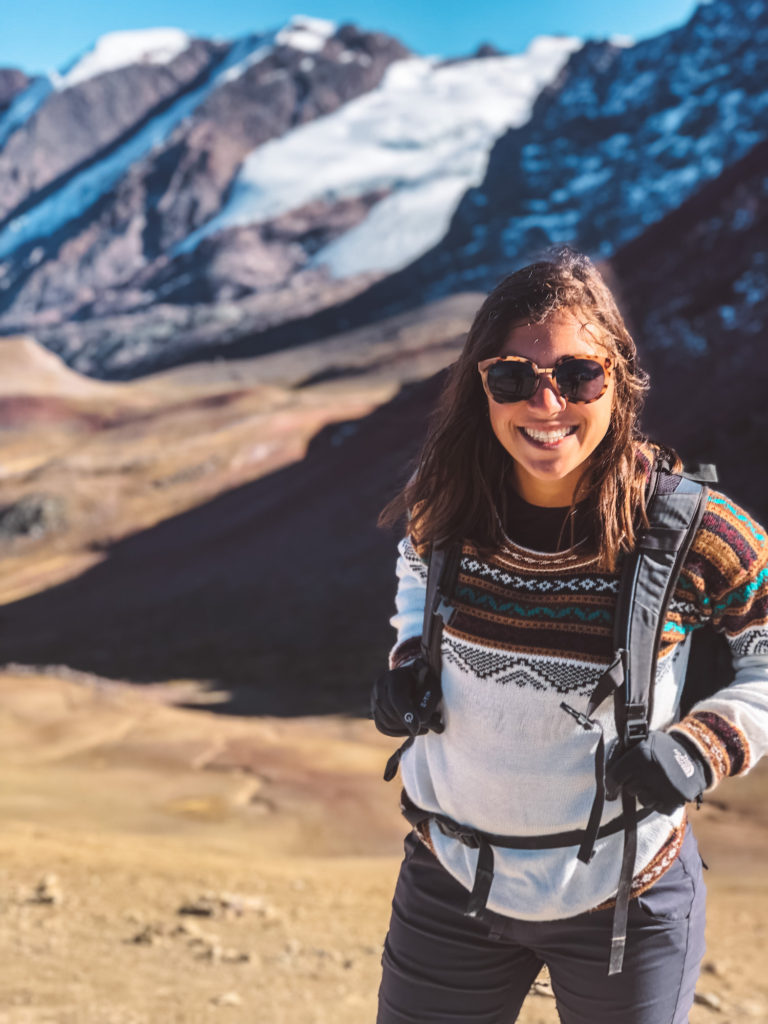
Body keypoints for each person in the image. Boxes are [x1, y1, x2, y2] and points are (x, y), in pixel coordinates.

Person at [371, 248, 768, 1024]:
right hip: (449, 885)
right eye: (513, 376)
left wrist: (704, 745)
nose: (545, 402)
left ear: (618, 382)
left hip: (626, 900)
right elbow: (416, 571)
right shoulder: (444, 501)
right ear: (482, 387)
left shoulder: (689, 527)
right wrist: (410, 655)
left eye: (578, 375)